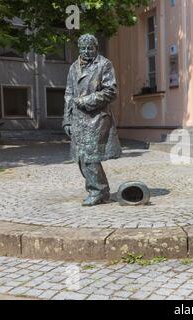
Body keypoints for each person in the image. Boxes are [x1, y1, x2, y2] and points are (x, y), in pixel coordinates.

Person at [63, 34, 121, 207]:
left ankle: (96, 191)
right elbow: (68, 93)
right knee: (80, 158)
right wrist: (66, 119)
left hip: (96, 118)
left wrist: (86, 100)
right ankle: (101, 190)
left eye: (90, 48)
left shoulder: (104, 64)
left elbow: (111, 91)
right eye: (83, 48)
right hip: (77, 120)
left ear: (96, 48)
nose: (86, 51)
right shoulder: (74, 67)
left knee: (90, 156)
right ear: (79, 48)